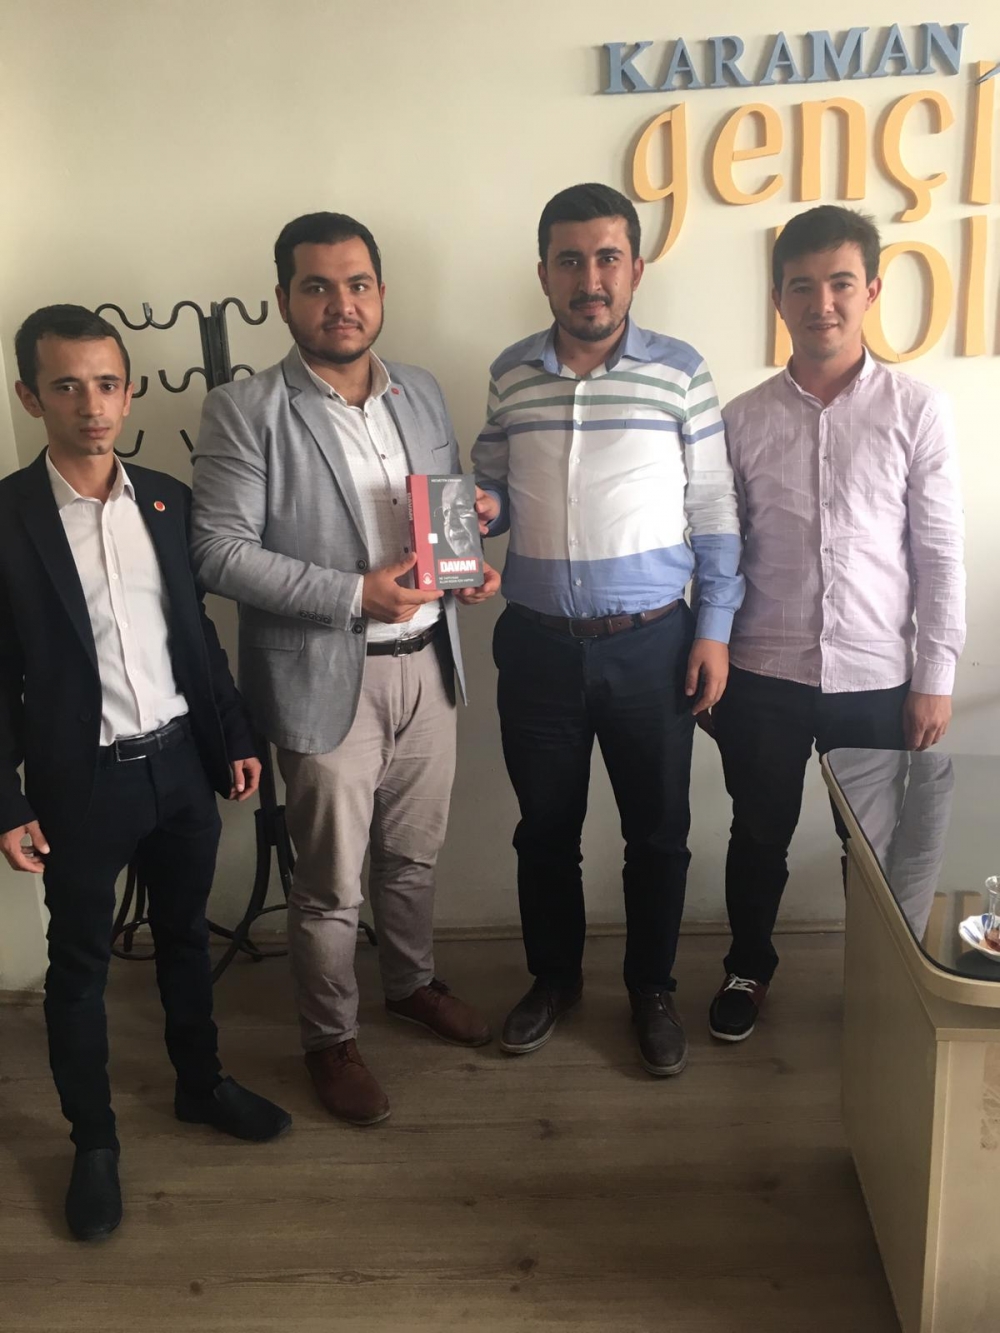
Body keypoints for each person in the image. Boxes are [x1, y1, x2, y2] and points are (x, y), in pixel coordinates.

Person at [191, 212, 498, 1128]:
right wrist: (352, 594)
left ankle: (410, 983)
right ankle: (330, 1038)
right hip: (326, 677)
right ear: (283, 298)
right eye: (317, 286)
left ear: (381, 292)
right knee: (330, 884)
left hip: (431, 665)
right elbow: (217, 551)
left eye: (357, 283)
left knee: (414, 856)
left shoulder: (422, 392)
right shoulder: (246, 409)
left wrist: (468, 559)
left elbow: (443, 512)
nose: (341, 303)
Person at [0, 306, 291, 1243]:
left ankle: (199, 1084)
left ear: (129, 392)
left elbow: (194, 634)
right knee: (80, 968)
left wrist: (232, 734)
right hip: (81, 785)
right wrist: (6, 800)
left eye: (106, 384)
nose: (91, 405)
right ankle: (93, 1141)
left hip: (178, 768)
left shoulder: (165, 498)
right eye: (66, 385)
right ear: (30, 396)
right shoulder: (8, 518)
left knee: (185, 939)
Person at [472, 183, 743, 1077]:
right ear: (543, 272)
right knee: (544, 829)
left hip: (653, 644)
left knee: (657, 832)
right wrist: (479, 512)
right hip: (537, 644)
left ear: (635, 268)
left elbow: (713, 505)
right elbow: (494, 485)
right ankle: (554, 979)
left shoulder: (680, 371)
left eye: (607, 258)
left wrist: (714, 628)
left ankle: (651, 989)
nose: (590, 278)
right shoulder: (510, 373)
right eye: (570, 260)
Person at [706, 206, 966, 1043]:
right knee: (759, 833)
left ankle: (881, 981)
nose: (822, 302)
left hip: (876, 679)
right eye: (802, 285)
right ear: (778, 297)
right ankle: (748, 967)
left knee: (874, 847)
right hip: (764, 673)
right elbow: (718, 549)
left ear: (872, 291)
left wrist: (935, 678)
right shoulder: (740, 419)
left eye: (840, 283)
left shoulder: (916, 410)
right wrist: (712, 651)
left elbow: (939, 555)